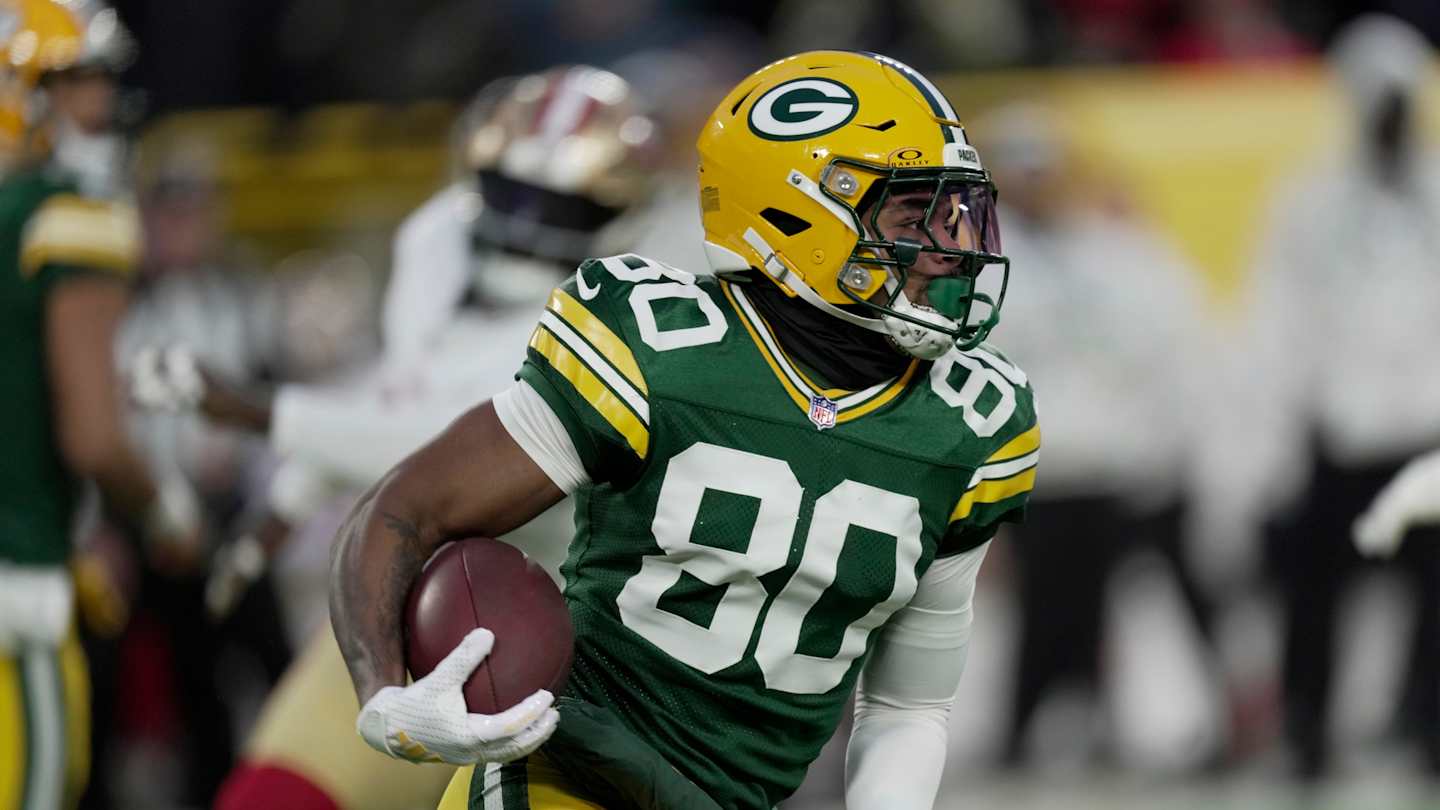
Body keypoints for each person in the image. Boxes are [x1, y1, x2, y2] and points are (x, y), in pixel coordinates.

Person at [330, 50, 1039, 810]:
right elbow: (405, 510)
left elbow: (908, 705)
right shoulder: (660, 347)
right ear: (796, 215)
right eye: (913, 215)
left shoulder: (975, 419)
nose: (951, 248)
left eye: (956, 213)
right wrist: (384, 698)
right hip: (571, 777)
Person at [179, 66, 663, 810]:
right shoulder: (436, 238)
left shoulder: (618, 319)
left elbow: (424, 454)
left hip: (565, 645)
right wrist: (288, 500)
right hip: (408, 594)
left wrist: (261, 413)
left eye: (561, 205)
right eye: (512, 193)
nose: (529, 223)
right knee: (271, 798)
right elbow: (399, 386)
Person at [0, 2, 198, 809]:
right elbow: (92, 437)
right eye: (75, 79)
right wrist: (164, 511)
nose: (102, 102)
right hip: (17, 587)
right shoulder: (68, 218)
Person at [1242, 14, 1440, 777]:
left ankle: (1426, 725)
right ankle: (1308, 728)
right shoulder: (1311, 201)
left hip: (1425, 426)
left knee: (1434, 594)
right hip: (1339, 424)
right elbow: (1278, 315)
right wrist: (1280, 423)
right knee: (1316, 592)